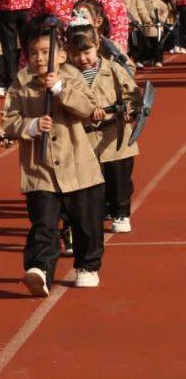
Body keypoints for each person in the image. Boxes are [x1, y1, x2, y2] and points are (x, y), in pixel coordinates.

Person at [0, 17, 104, 296]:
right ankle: (40, 270)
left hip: (78, 165)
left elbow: (88, 108)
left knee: (86, 223)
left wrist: (60, 90)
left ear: (62, 54)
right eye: (33, 53)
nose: (39, 58)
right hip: (40, 168)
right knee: (43, 223)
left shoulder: (72, 76)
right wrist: (30, 126)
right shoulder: (21, 83)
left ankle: (88, 265)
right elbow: (8, 122)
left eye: (46, 52)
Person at [64, 22, 140, 235]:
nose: (83, 58)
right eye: (76, 54)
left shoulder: (113, 68)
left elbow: (132, 93)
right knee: (90, 181)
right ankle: (92, 215)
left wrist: (131, 110)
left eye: (87, 52)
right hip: (84, 136)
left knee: (119, 179)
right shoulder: (67, 74)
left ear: (97, 45)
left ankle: (121, 212)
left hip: (115, 133)